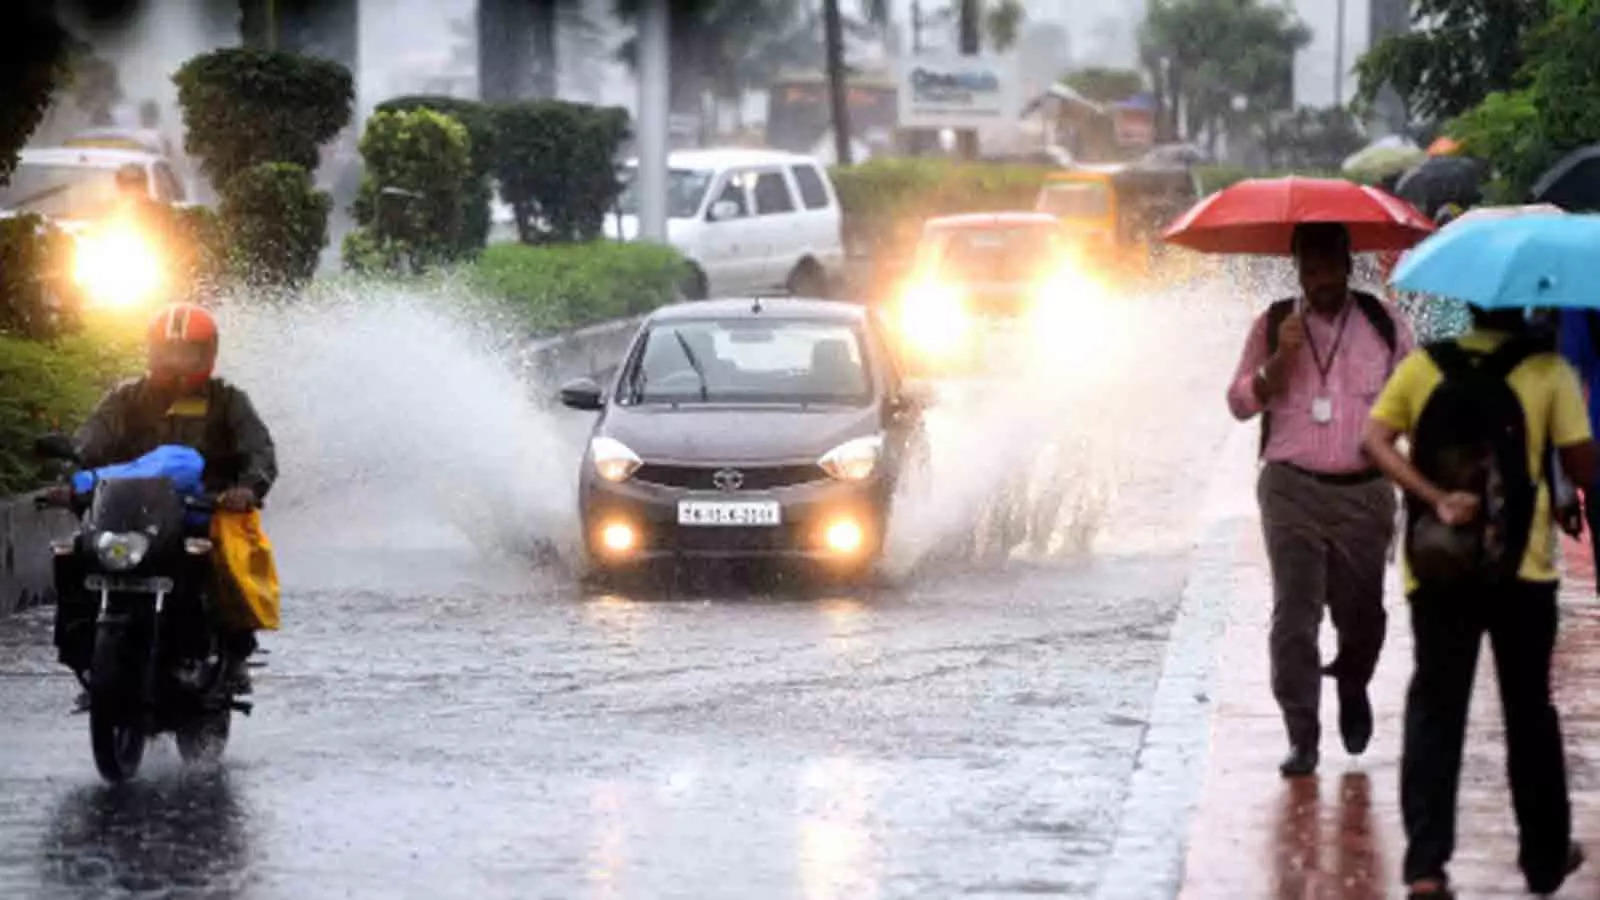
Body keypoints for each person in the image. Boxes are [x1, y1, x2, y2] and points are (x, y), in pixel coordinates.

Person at [1363, 305, 1593, 898]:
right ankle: (1543, 858)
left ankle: (1425, 867)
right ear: (1525, 309)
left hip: (1435, 567)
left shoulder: (1422, 368)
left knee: (1436, 709)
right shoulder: (1548, 371)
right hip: (1524, 570)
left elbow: (1374, 442)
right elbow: (1582, 465)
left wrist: (1433, 496)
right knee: (1529, 713)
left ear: (1469, 305)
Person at [1226, 222, 1415, 777]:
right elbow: (1239, 403)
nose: (1320, 281)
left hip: (1365, 492)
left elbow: (1416, 395)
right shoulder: (1273, 323)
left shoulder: (1384, 323)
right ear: (1298, 271)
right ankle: (1302, 735)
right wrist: (1275, 364)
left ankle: (1353, 680)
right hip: (1290, 489)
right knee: (1293, 615)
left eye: (1330, 269)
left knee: (1362, 615)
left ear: (1348, 266)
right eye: (1310, 271)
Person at [73, 302, 277, 689]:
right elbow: (89, 441)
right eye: (167, 351)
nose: (176, 362)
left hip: (203, 509)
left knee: (225, 563)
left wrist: (247, 488)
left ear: (208, 354)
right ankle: (83, 652)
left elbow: (260, 451)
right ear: (151, 350)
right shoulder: (126, 398)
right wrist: (68, 474)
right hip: (127, 509)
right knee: (74, 556)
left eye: (187, 352)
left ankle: (233, 653)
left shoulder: (228, 401)